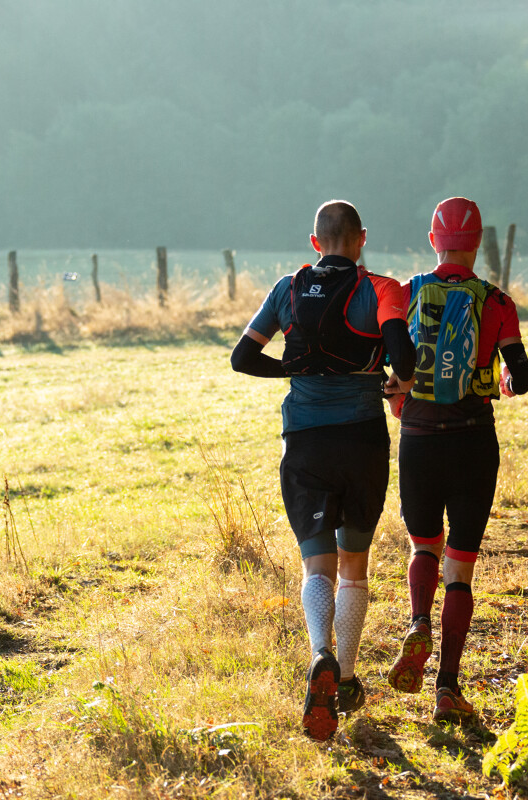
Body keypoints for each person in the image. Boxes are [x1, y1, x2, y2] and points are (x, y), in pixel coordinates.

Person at [230, 200, 416, 742]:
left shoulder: (288, 288)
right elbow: (402, 357)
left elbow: (242, 358)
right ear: (361, 240)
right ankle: (350, 676)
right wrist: (398, 383)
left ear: (315, 243)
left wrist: (290, 368)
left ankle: (320, 656)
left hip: (304, 441)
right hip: (361, 440)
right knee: (355, 565)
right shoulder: (382, 288)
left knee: (318, 566)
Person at [384, 196, 528, 724]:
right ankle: (448, 686)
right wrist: (508, 380)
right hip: (474, 443)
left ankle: (419, 623)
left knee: (424, 545)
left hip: (419, 440)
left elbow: (387, 361)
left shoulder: (406, 293)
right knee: (461, 568)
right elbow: (523, 373)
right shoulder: (496, 301)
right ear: (477, 244)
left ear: (434, 240)